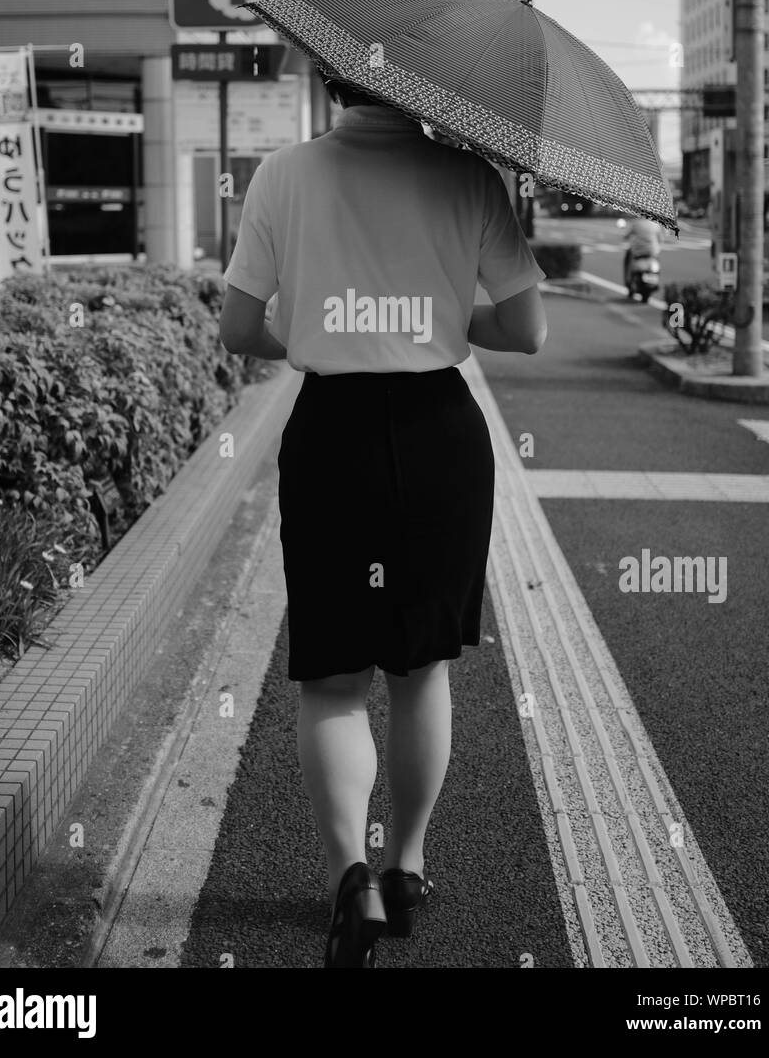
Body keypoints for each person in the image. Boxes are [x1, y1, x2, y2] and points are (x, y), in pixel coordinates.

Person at [218, 77, 548, 968]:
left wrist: (324, 329)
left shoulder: (283, 174)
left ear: (330, 78)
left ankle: (350, 881)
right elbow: (527, 328)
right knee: (419, 668)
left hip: (333, 438)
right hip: (441, 439)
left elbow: (238, 327)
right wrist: (440, 315)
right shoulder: (470, 176)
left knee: (331, 676)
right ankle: (405, 866)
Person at [622, 215, 662, 285]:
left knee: (628, 259)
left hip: (638, 251)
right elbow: (660, 239)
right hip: (653, 252)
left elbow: (627, 235)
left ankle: (628, 280)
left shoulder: (636, 223)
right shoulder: (655, 224)